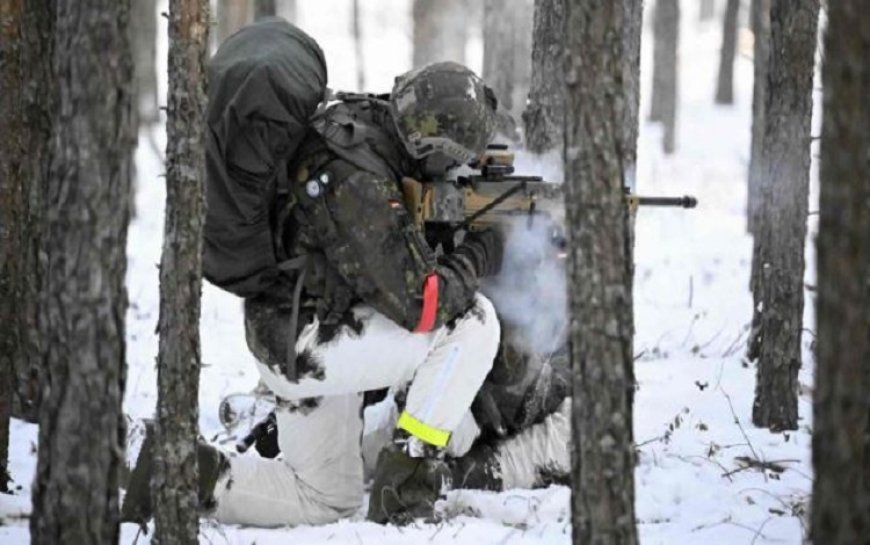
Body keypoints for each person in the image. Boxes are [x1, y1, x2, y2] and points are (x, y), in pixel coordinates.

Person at [123, 50, 506, 525]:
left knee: (327, 499)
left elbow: (374, 254)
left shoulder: (362, 124)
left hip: (289, 330)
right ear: (433, 147)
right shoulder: (358, 180)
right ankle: (405, 491)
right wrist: (480, 254)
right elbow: (422, 306)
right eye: (455, 161)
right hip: (310, 343)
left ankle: (173, 470)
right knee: (472, 321)